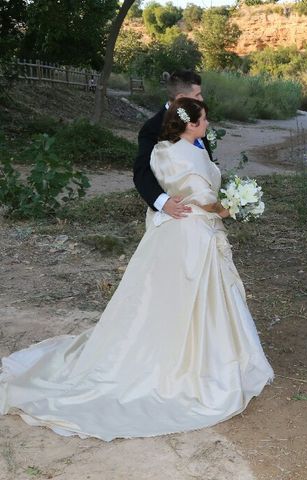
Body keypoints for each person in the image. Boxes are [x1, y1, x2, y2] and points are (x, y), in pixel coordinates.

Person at [0, 98, 274, 441]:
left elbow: (189, 191)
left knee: (178, 302)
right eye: (204, 119)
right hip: (191, 238)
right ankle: (191, 366)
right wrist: (232, 206)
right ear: (191, 123)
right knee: (185, 301)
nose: (208, 124)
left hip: (186, 234)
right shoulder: (179, 153)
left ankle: (186, 355)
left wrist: (224, 205)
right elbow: (201, 199)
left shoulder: (180, 150)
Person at [134, 70, 217, 223]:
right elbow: (142, 171)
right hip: (174, 216)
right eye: (197, 95)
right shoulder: (153, 128)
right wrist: (163, 202)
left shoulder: (198, 119)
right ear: (181, 98)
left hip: (205, 213)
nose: (202, 98)